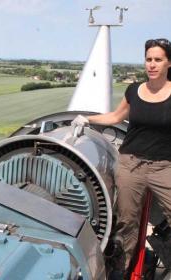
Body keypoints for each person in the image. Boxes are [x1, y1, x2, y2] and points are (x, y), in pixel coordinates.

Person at [72, 38, 171, 279]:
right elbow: (116, 117)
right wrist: (87, 119)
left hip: (163, 167)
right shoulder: (133, 90)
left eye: (158, 59)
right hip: (130, 165)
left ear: (169, 63)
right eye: (148, 59)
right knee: (127, 222)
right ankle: (123, 269)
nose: (152, 64)